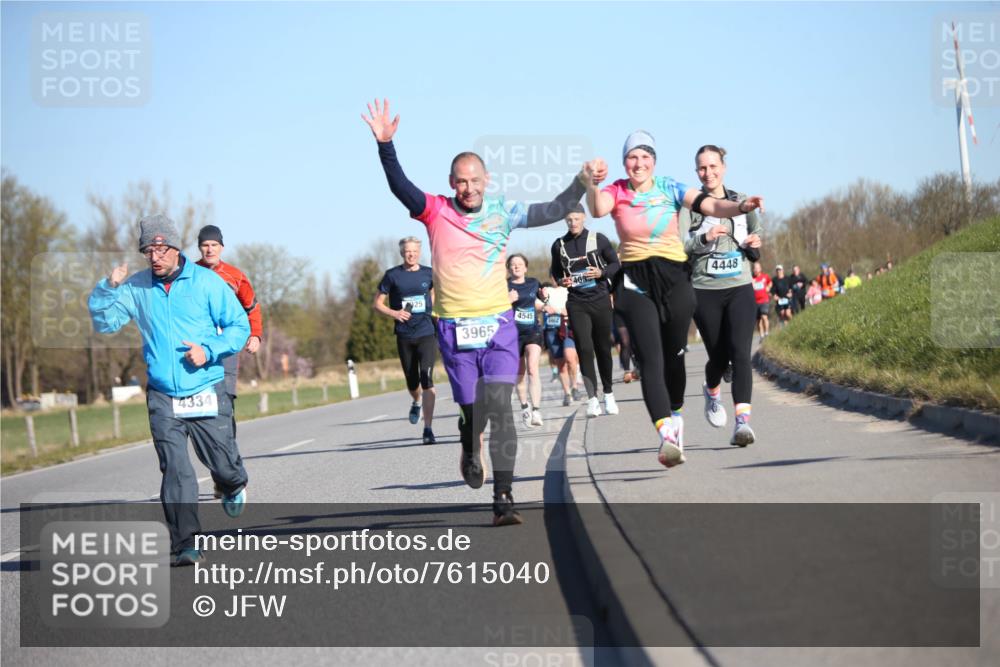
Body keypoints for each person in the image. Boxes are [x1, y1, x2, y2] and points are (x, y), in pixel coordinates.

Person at [362, 98, 594, 525]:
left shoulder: (503, 210)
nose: (468, 188)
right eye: (461, 182)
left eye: (475, 180)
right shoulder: (435, 211)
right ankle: (470, 446)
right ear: (451, 182)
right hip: (454, 330)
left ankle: (503, 497)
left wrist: (580, 182)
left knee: (501, 405)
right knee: (473, 413)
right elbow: (400, 186)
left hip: (499, 325)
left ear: (486, 179)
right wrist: (386, 146)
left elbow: (553, 210)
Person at [585, 131, 764, 468]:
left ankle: (677, 412)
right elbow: (597, 209)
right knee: (651, 360)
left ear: (654, 160)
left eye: (645, 157)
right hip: (636, 281)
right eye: (632, 157)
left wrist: (741, 206)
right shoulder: (616, 191)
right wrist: (592, 183)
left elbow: (712, 204)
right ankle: (666, 434)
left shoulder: (669, 187)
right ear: (625, 162)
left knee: (674, 356)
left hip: (675, 280)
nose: (638, 164)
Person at [89, 214, 250, 566]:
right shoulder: (136, 288)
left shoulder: (206, 283)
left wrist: (208, 350)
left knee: (222, 463)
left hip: (206, 384)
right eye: (149, 249)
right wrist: (107, 289)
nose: (155, 256)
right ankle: (186, 544)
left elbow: (238, 325)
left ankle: (233, 482)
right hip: (163, 393)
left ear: (175, 248)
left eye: (161, 248)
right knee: (176, 470)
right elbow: (105, 323)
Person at [681, 144, 762, 447]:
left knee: (741, 353)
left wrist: (755, 242)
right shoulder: (690, 207)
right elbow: (679, 246)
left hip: (740, 286)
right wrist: (704, 237)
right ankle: (712, 391)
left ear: (724, 167)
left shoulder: (741, 201)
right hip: (705, 290)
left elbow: (755, 241)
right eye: (702, 168)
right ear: (696, 172)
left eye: (713, 166)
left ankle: (743, 424)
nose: (708, 173)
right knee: (719, 356)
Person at [196, 224, 263, 498]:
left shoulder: (235, 276)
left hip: (225, 353)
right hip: (196, 353)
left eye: (214, 245)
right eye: (204, 245)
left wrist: (256, 334)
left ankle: (229, 473)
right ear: (199, 248)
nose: (209, 249)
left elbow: (252, 307)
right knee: (203, 415)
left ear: (221, 247)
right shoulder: (190, 274)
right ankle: (222, 474)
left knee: (224, 411)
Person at [549, 203, 621, 418]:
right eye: (569, 220)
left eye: (576, 219)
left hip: (599, 299)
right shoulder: (559, 245)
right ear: (565, 221)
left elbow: (615, 264)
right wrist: (563, 280)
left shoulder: (598, 239)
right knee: (585, 349)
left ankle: (608, 394)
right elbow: (556, 272)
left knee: (602, 348)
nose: (573, 223)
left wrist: (601, 272)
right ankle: (592, 399)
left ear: (584, 218)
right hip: (577, 302)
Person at [374, 236, 438, 444]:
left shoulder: (429, 273)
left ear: (419, 252)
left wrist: (431, 311)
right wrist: (395, 313)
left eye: (414, 251)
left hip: (426, 332)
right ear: (402, 253)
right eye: (407, 251)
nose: (411, 254)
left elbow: (433, 293)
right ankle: (416, 400)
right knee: (412, 380)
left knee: (426, 377)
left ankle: (427, 429)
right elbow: (378, 303)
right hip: (404, 334)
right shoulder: (392, 275)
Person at [506, 253, 545, 428]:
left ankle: (536, 410)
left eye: (519, 264)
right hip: (512, 334)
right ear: (509, 268)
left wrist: (545, 305)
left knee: (532, 369)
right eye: (513, 265)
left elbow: (536, 302)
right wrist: (507, 300)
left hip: (532, 331)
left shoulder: (533, 283)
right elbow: (495, 308)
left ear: (525, 267)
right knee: (519, 374)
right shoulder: (503, 286)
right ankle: (525, 408)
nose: (516, 267)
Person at [541, 281, 580, 406]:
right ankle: (567, 393)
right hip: (551, 329)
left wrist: (558, 310)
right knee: (561, 364)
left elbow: (570, 307)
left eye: (557, 276)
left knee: (570, 357)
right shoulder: (546, 290)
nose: (555, 279)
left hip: (566, 327)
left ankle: (574, 386)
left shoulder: (568, 289)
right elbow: (540, 304)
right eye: (552, 276)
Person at [751, 262, 772, 342]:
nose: (755, 269)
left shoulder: (765, 277)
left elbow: (770, 282)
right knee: (758, 320)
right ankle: (762, 336)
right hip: (755, 302)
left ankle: (767, 333)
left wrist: (768, 287)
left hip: (764, 300)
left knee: (764, 317)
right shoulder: (752, 279)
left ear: (760, 269)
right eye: (754, 268)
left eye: (757, 268)